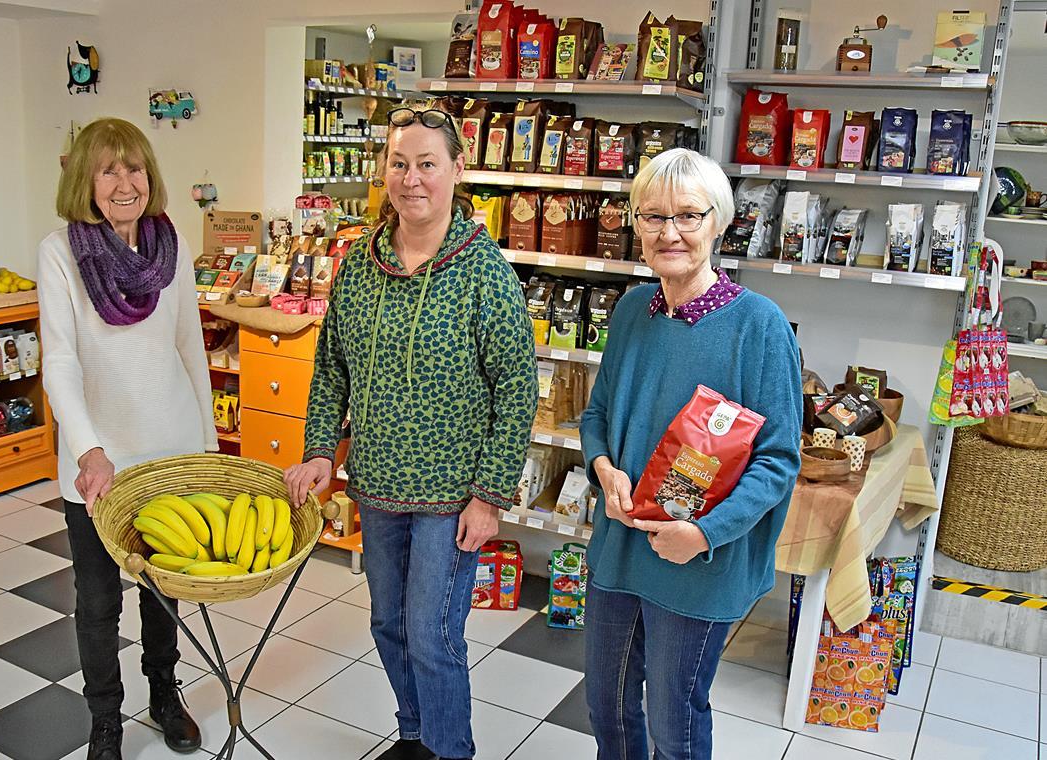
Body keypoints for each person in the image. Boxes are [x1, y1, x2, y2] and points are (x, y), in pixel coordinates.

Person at [284, 104, 538, 760]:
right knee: (387, 625)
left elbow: (517, 393)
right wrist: (318, 449)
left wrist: (489, 495)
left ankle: (449, 749)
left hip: (452, 499)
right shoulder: (359, 266)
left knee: (432, 636)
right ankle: (415, 734)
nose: (412, 178)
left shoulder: (487, 276)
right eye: (400, 163)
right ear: (384, 171)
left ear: (458, 169)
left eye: (428, 163)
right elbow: (331, 367)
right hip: (378, 484)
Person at [579, 148, 802, 760]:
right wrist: (603, 469)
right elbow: (597, 415)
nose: (669, 233)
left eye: (687, 216)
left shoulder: (760, 326)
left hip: (698, 561)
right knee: (609, 709)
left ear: (718, 222)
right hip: (622, 546)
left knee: (673, 724)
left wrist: (703, 534)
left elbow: (780, 459)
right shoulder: (630, 311)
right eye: (652, 217)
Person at [39, 118, 214, 760]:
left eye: (135, 167)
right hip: (98, 463)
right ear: (83, 178)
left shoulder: (172, 248)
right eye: (108, 168)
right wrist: (87, 448)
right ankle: (105, 722)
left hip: (169, 449)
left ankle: (164, 695)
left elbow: (189, 350)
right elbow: (59, 361)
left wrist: (207, 449)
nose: (124, 182)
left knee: (164, 585)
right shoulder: (59, 253)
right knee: (97, 601)